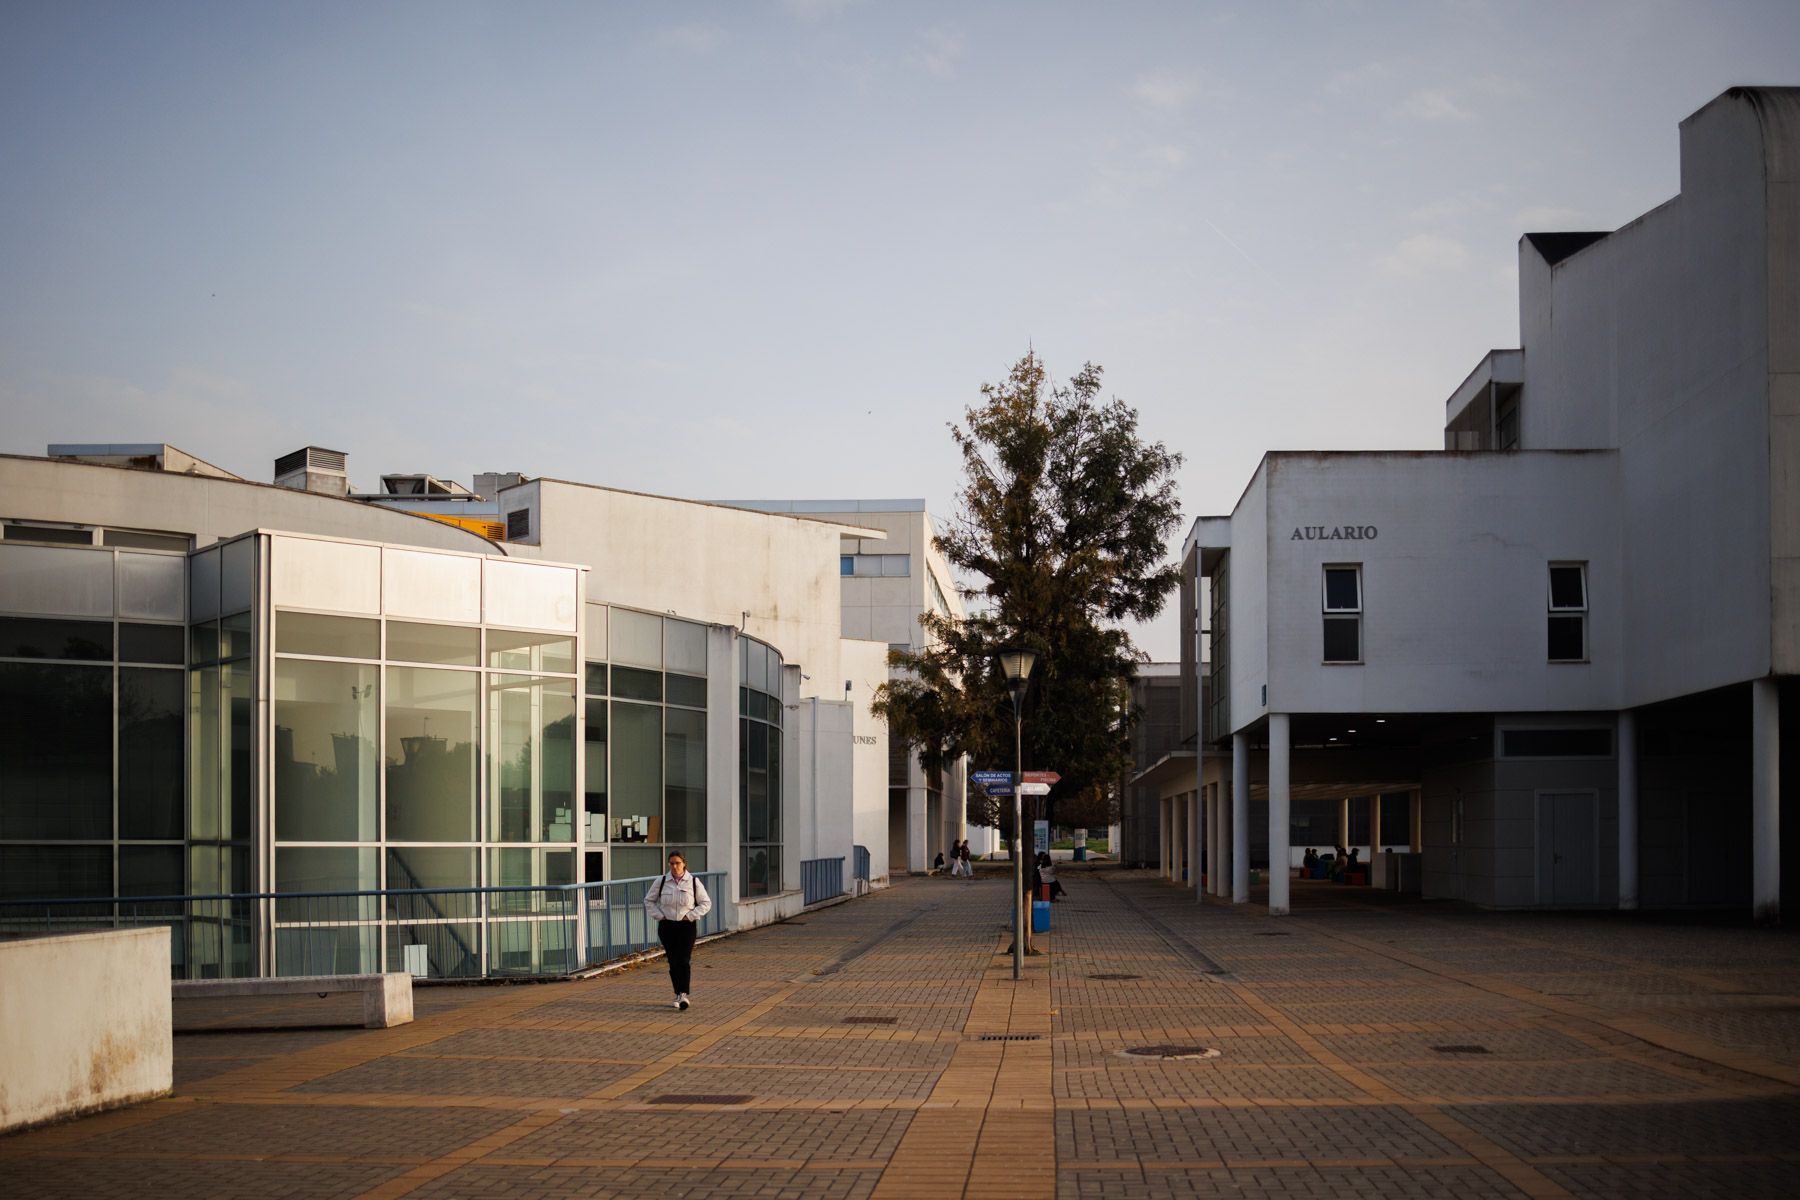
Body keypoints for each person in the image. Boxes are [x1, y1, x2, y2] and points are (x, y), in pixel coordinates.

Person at [644, 851, 711, 1010]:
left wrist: (691, 915)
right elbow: (649, 901)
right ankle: (677, 993)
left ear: (684, 864)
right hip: (667, 926)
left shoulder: (693, 882)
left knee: (684, 960)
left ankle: (684, 994)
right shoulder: (661, 881)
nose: (674, 866)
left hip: (686, 926)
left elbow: (706, 903)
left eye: (678, 863)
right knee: (673, 961)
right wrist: (660, 916)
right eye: (672, 863)